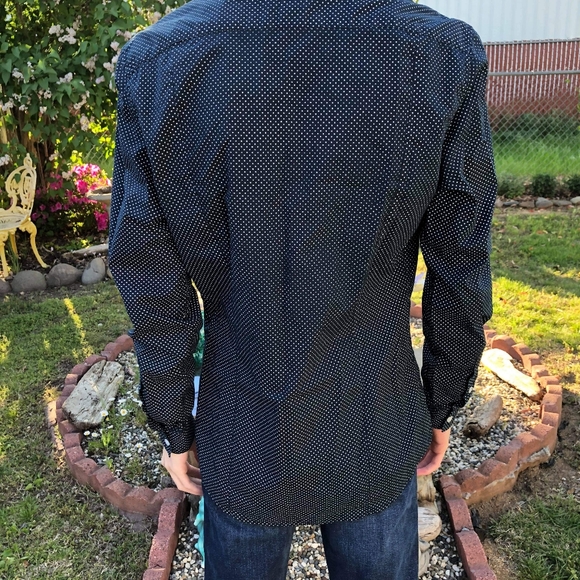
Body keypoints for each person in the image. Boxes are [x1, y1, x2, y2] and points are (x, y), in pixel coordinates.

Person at [108, 0, 496, 577]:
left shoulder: (161, 61)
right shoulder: (437, 53)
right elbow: (460, 257)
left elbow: (148, 271)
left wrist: (173, 422)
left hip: (243, 418)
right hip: (374, 413)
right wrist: (441, 399)